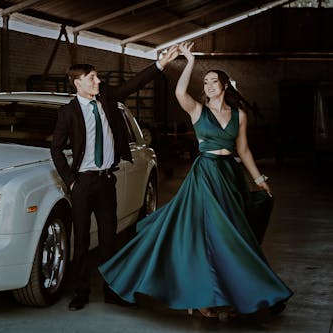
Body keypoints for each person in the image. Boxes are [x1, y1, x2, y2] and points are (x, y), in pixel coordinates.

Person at [98, 41, 293, 318]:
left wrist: (259, 178)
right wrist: (189, 62)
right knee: (211, 235)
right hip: (206, 175)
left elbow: (243, 150)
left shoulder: (239, 115)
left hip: (230, 175)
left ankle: (228, 295)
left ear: (225, 85)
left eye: (215, 81)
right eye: (206, 82)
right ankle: (203, 298)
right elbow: (180, 90)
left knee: (232, 237)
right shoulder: (197, 110)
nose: (210, 85)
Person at [50, 46, 180, 311]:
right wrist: (71, 181)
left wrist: (160, 64)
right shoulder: (68, 112)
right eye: (93, 78)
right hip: (83, 183)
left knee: (110, 239)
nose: (98, 81)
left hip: (107, 180)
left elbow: (132, 84)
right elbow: (55, 148)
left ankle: (112, 291)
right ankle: (81, 291)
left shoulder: (107, 98)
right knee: (82, 240)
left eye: (97, 77)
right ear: (78, 83)